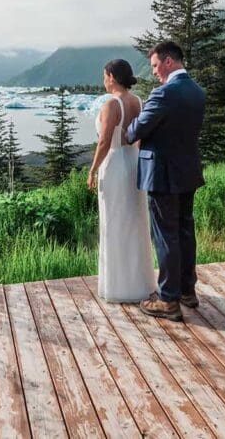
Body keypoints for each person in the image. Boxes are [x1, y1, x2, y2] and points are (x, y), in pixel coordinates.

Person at [125, 41, 206, 322]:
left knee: (165, 234)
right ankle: (187, 290)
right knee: (184, 230)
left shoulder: (164, 94)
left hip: (162, 173)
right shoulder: (197, 92)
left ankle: (168, 299)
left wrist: (136, 121)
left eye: (156, 65)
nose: (155, 72)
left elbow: (135, 131)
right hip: (188, 171)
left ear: (169, 61)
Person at [87, 59, 156, 303]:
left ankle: (118, 286)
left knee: (114, 222)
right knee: (135, 221)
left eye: (104, 76)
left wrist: (93, 170)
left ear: (112, 77)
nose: (104, 80)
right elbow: (140, 134)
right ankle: (141, 282)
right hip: (134, 161)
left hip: (115, 164)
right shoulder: (138, 101)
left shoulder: (111, 105)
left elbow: (104, 142)